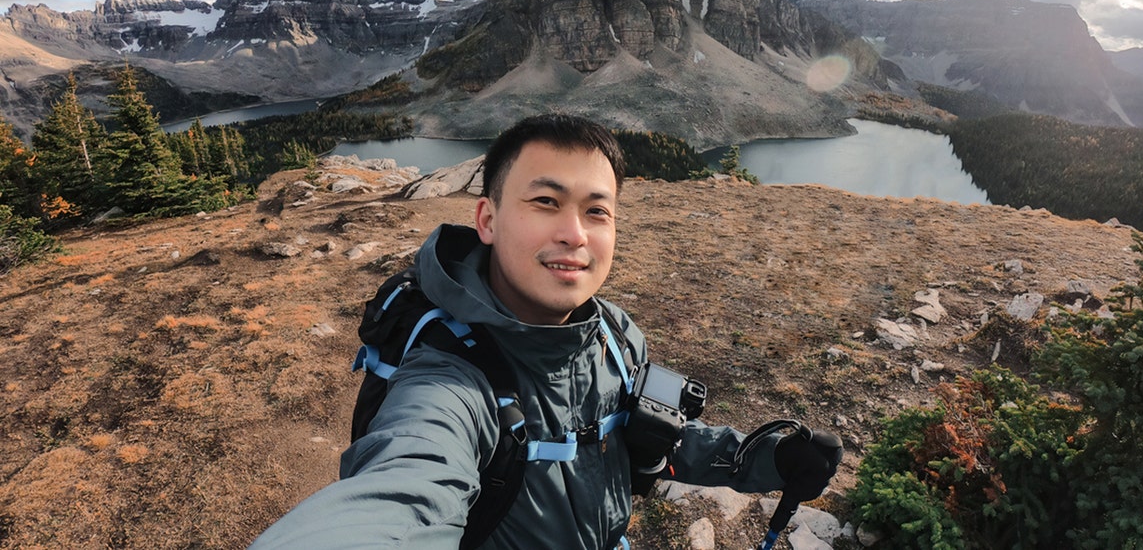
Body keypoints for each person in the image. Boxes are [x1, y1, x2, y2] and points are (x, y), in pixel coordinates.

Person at [251, 113, 841, 549]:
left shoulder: (614, 335)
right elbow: (405, 489)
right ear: (487, 219)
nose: (574, 234)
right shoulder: (448, 378)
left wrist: (766, 459)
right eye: (545, 201)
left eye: (596, 210)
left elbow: (652, 441)